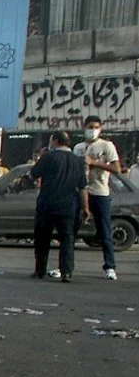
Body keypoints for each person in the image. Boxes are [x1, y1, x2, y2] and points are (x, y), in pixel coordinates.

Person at [32, 131, 88, 282]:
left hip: (47, 204)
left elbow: (34, 173)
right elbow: (82, 186)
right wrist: (85, 207)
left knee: (43, 239)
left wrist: (40, 157)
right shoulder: (77, 161)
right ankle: (66, 272)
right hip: (68, 206)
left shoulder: (49, 157)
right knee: (67, 240)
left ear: (55, 141)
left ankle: (40, 270)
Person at [73, 115, 121, 280]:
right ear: (84, 127)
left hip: (100, 192)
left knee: (105, 232)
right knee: (71, 230)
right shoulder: (78, 147)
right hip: (81, 192)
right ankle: (65, 265)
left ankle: (110, 266)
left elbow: (116, 168)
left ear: (100, 129)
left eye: (95, 127)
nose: (92, 130)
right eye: (89, 127)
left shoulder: (106, 146)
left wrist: (94, 163)